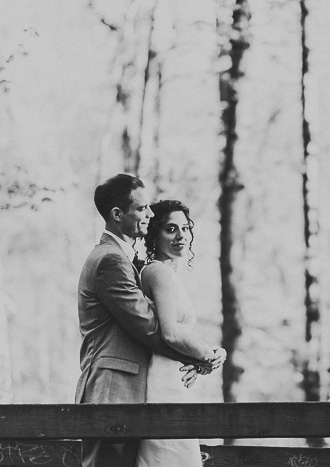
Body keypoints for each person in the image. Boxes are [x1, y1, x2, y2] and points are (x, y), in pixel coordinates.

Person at [75, 175, 207, 467]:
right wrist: (203, 357)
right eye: (142, 209)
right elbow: (148, 326)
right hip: (112, 389)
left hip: (134, 389)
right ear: (117, 215)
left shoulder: (124, 259)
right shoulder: (110, 260)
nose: (149, 214)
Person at [136, 199, 226, 467]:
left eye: (185, 228)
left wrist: (211, 355)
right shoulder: (157, 271)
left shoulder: (170, 275)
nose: (181, 236)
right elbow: (171, 335)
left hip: (176, 379)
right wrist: (208, 356)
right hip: (163, 384)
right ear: (154, 234)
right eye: (170, 229)